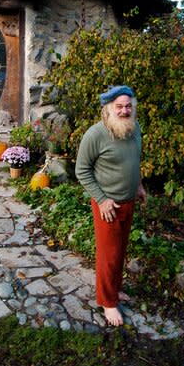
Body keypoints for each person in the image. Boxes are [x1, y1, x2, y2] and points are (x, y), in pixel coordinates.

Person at [75, 85, 146, 326]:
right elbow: (81, 170)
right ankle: (107, 302)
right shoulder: (96, 134)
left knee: (120, 251)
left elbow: (135, 159)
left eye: (128, 106)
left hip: (128, 201)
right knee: (108, 254)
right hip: (109, 205)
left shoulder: (134, 128)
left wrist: (139, 186)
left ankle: (113, 290)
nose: (125, 111)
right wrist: (102, 200)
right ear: (109, 109)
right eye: (120, 107)